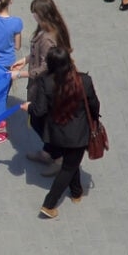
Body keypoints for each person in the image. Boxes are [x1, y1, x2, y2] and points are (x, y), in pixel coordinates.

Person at [21, 48, 100, 218]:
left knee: (72, 160)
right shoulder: (84, 81)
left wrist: (29, 107)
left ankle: (76, 191)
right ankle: (49, 204)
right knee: (68, 167)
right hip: (78, 134)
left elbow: (40, 110)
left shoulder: (45, 82)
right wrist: (94, 121)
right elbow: (94, 105)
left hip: (56, 133)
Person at [10, 0, 73, 176]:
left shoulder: (48, 38)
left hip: (45, 87)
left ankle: (57, 157)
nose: (33, 16)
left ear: (43, 14)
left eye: (35, 13)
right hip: (43, 85)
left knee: (41, 122)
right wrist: (25, 60)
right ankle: (48, 152)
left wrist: (20, 74)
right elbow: (39, 54)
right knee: (40, 121)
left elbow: (46, 66)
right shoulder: (49, 29)